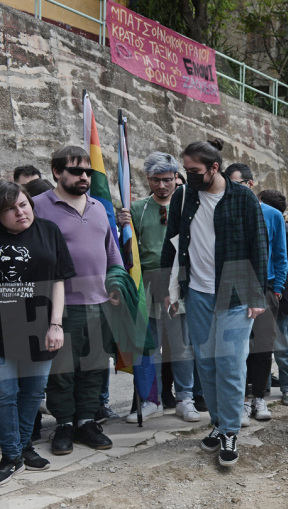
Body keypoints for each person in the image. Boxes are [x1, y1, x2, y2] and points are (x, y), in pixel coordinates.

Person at [160, 140, 269, 468]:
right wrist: (167, 288)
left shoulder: (243, 198)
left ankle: (231, 430)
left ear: (214, 168)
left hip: (236, 294)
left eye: (194, 170)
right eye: (185, 170)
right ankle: (219, 424)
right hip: (197, 294)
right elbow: (171, 245)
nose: (187, 176)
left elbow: (258, 245)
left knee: (231, 364)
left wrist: (258, 294)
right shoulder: (183, 197)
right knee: (206, 364)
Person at [33, 146, 124, 455]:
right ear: (57, 172)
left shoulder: (98, 207)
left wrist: (117, 286)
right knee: (62, 371)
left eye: (88, 171)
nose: (84, 176)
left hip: (100, 303)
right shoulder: (38, 207)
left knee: (95, 367)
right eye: (76, 171)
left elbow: (112, 252)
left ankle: (86, 421)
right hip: (60, 306)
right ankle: (64, 425)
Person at [0, 181, 75, 484]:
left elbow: (58, 280)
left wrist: (56, 324)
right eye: (10, 209)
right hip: (3, 330)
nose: (20, 212)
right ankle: (11, 455)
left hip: (40, 328)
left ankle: (21, 449)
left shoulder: (49, 231)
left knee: (32, 392)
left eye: (23, 204)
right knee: (5, 393)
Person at [117, 152, 200, 423]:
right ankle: (150, 399)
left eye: (167, 179)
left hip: (179, 281)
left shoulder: (188, 206)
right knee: (148, 346)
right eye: (155, 180)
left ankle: (185, 398)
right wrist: (121, 225)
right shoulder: (136, 210)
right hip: (147, 284)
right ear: (147, 179)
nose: (162, 185)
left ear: (176, 177)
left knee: (181, 346)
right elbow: (127, 249)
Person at [225, 164, 288, 426]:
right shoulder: (225, 211)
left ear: (250, 184)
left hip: (265, 287)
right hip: (234, 287)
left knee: (263, 345)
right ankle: (239, 400)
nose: (231, 190)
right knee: (236, 347)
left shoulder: (272, 215)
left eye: (236, 184)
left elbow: (281, 254)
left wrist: (277, 289)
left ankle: (259, 396)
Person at [258, 189, 288, 407]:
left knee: (281, 346)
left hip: (279, 299)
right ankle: (264, 385)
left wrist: (284, 292)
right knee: (260, 347)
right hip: (264, 295)